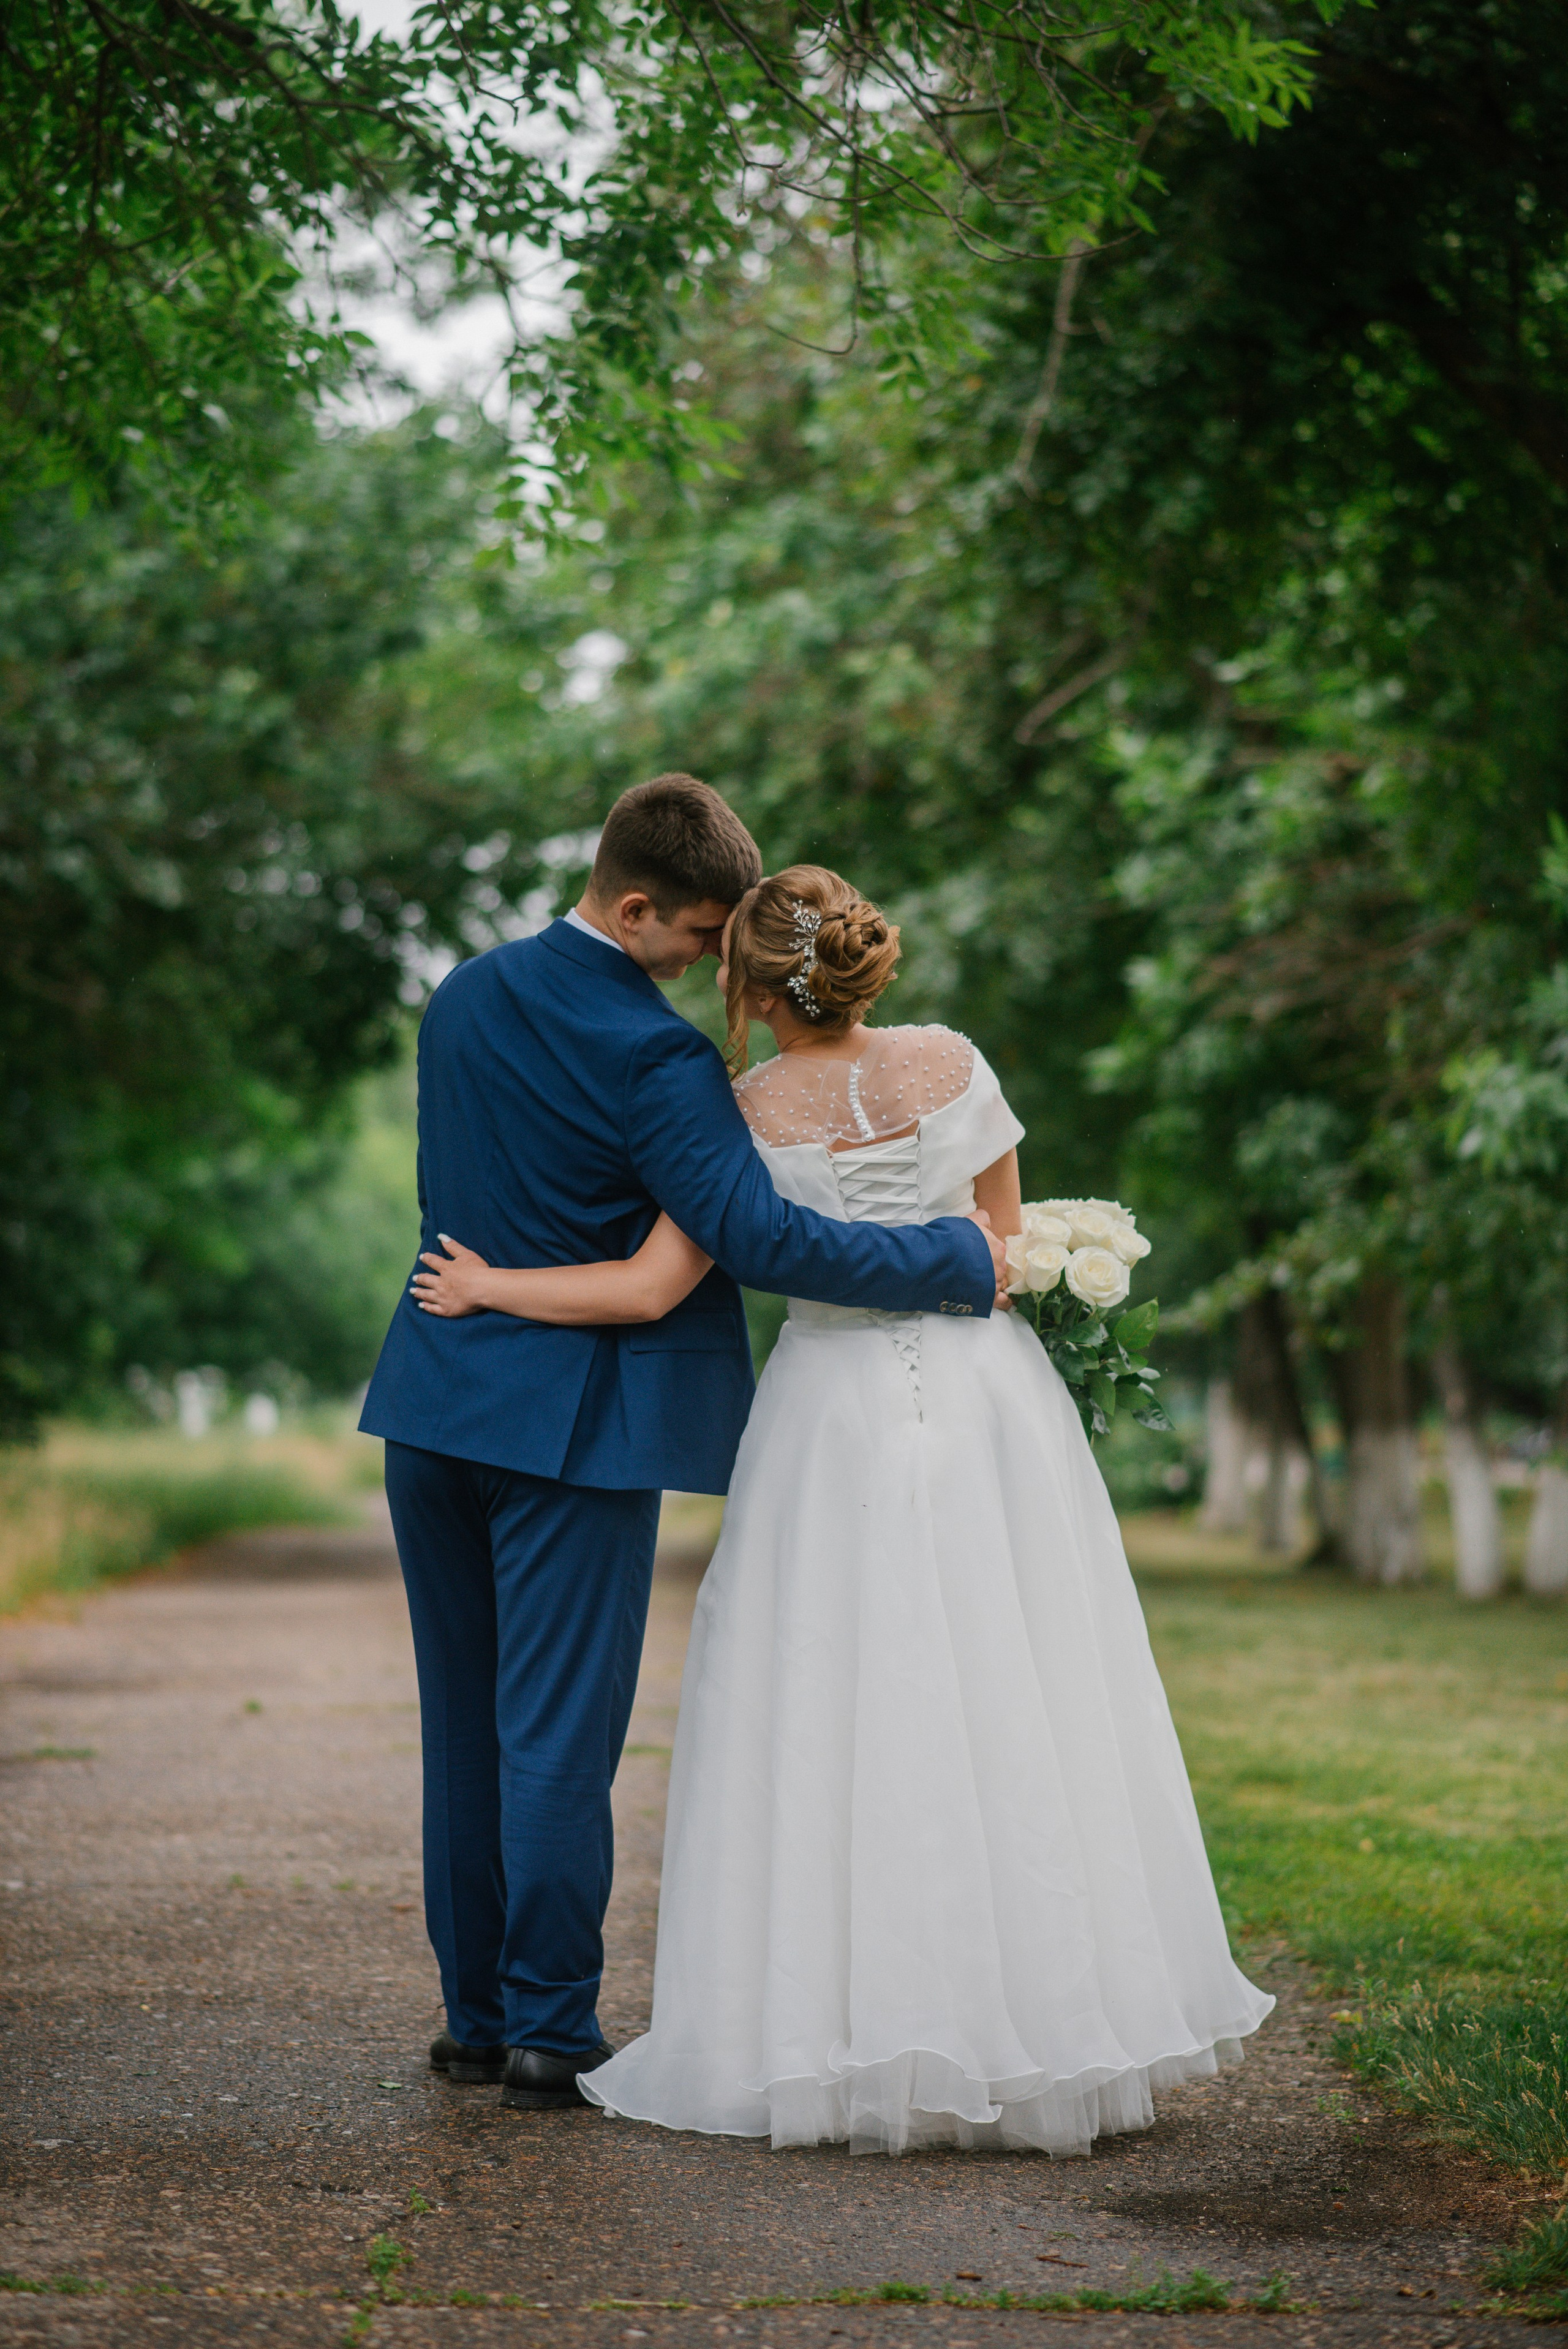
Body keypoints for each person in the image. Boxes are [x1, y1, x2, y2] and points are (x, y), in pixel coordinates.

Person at [412, 862, 1273, 2155]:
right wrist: (961, 1271)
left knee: (827, 1702)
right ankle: (1046, 2014)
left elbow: (655, 1283)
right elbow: (1001, 1241)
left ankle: (755, 2018)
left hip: (822, 1415)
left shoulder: (728, 1099)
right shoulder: (953, 1064)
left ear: (742, 981)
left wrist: (489, 1288)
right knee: (1021, 1684)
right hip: (993, 1409)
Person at [359, 781, 1007, 2113]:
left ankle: (473, 2017)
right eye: (699, 932)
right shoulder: (656, 1058)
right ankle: (547, 2026)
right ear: (634, 903)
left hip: (434, 1396)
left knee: (463, 1729)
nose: (714, 961)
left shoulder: (464, 995)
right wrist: (966, 1257)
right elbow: (765, 1243)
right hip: (574, 1427)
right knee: (553, 1736)